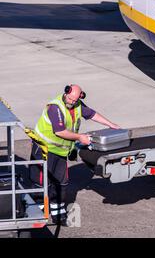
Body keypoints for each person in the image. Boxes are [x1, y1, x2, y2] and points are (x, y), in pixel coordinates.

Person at [30, 84, 120, 226]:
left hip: (60, 151)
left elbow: (91, 114)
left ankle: (58, 213)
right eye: (70, 99)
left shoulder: (77, 104)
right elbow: (59, 131)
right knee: (41, 181)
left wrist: (111, 124)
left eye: (74, 100)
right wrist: (80, 137)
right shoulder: (55, 107)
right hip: (44, 150)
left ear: (80, 97)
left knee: (61, 182)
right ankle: (37, 210)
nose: (71, 102)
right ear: (65, 93)